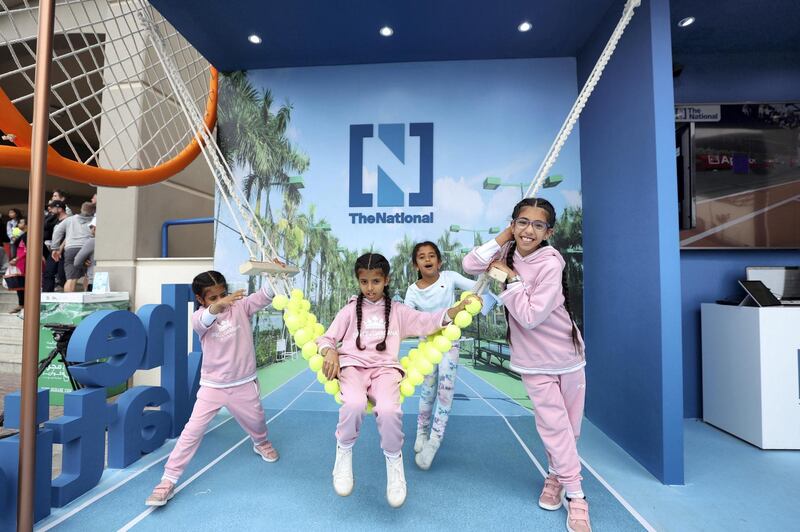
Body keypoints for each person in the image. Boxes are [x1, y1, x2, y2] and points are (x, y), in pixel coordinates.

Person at [463, 197, 590, 532]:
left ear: (550, 231)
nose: (528, 230)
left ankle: (555, 476)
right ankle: (577, 497)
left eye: (537, 224)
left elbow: (531, 315)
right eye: (522, 222)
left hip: (568, 356)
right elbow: (469, 263)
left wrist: (510, 282)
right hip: (534, 363)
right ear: (513, 223)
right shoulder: (504, 253)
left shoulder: (552, 262)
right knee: (553, 427)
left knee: (570, 430)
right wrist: (504, 237)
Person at [317, 252, 478, 508]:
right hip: (352, 369)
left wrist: (455, 310)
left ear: (386, 280)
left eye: (376, 282)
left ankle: (394, 463)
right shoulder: (349, 310)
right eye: (364, 282)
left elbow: (428, 322)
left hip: (385, 371)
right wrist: (331, 351)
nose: (370, 288)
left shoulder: (399, 312)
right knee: (354, 404)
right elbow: (326, 338)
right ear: (359, 282)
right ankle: (344, 453)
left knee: (390, 409)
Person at [146, 270, 279, 506]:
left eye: (223, 294)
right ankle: (168, 480)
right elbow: (208, 317)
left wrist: (275, 276)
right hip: (213, 387)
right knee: (192, 431)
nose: (221, 301)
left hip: (243, 383)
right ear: (200, 300)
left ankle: (261, 443)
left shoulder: (241, 307)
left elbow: (265, 294)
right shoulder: (198, 319)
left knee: (257, 421)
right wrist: (219, 306)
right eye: (213, 297)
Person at [403, 241, 475, 469]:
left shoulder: (450, 277)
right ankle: (421, 432)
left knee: (445, 391)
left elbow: (476, 287)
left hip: (449, 342)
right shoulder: (413, 291)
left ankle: (434, 441)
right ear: (416, 264)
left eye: (431, 255)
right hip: (427, 345)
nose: (427, 259)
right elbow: (408, 320)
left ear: (439, 261)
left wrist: (479, 291)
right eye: (422, 256)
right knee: (427, 391)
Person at [51, 202, 94, 292]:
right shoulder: (94, 220)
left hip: (71, 249)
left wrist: (55, 248)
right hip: (88, 248)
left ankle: (68, 303)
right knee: (89, 276)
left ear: (81, 209)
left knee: (71, 278)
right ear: (93, 211)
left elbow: (57, 231)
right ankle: (87, 298)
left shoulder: (70, 219)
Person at [43, 200, 68, 292]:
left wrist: (60, 249)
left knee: (62, 275)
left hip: (64, 251)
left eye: (53, 207)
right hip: (54, 251)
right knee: (48, 273)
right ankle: (46, 297)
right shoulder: (56, 220)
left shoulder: (69, 220)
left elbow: (69, 236)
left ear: (60, 209)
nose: (50, 210)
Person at [4, 217, 27, 314]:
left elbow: (27, 250)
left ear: (27, 224)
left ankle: (25, 305)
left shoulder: (28, 235)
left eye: (21, 222)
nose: (18, 225)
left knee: (24, 285)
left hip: (25, 262)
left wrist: (16, 259)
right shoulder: (22, 235)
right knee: (19, 285)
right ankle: (21, 304)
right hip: (20, 262)